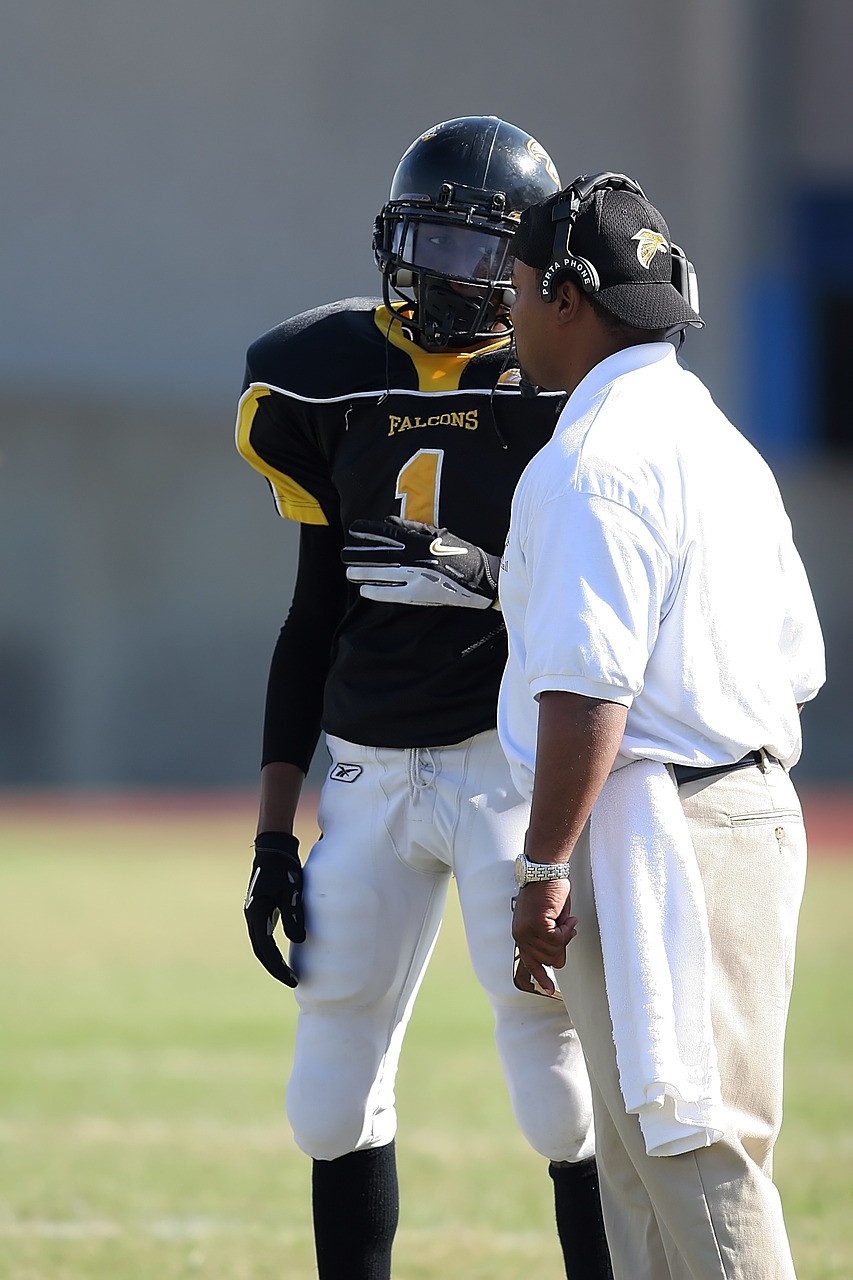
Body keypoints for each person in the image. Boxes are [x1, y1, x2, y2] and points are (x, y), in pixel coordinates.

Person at [235, 118, 613, 1280]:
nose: (448, 268)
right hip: (366, 766)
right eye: (432, 238)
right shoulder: (320, 372)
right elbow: (309, 619)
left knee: (557, 1084)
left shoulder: (562, 389)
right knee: (327, 1092)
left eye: (477, 246)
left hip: (503, 761)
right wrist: (271, 831)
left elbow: (595, 607)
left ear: (530, 267)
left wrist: (489, 578)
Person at [496, 171, 826, 1279]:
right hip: (729, 807)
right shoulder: (719, 442)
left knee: (692, 1154)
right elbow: (797, 658)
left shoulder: (593, 459)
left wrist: (543, 864)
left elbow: (590, 688)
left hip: (666, 833)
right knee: (643, 1172)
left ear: (568, 297)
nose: (510, 310)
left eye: (520, 286)